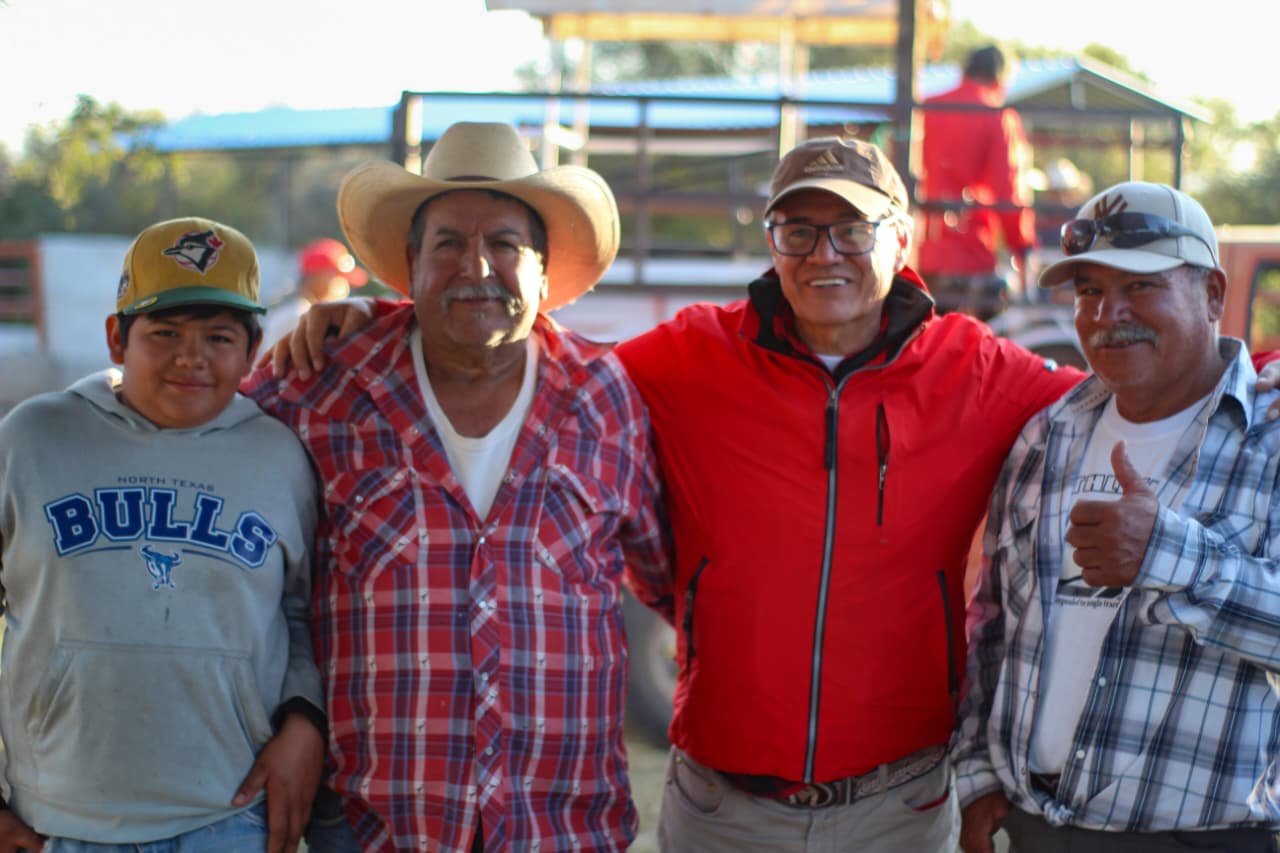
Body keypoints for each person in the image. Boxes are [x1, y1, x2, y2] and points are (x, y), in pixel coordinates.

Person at [274, 138, 1280, 852]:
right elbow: (530, 353)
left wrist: (1256, 375)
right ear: (771, 241)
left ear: (901, 239)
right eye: (797, 230)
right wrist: (374, 317)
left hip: (900, 806)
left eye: (850, 229)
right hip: (719, 806)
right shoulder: (683, 357)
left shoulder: (988, 373)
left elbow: (1142, 381)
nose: (823, 253)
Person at [241, 122, 671, 853]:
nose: (476, 265)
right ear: (409, 266)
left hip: (561, 830)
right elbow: (197, 444)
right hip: (375, 826)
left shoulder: (608, 396)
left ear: (543, 270)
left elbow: (674, 582)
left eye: (504, 243)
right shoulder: (321, 385)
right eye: (447, 244)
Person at [954, 181, 1280, 853]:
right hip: (1033, 827)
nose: (1109, 314)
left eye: (1140, 286)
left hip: (1204, 838)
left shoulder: (1270, 439)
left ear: (1212, 293)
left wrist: (1167, 555)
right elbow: (993, 623)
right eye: (1090, 291)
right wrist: (978, 774)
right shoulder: (1047, 435)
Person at [0, 216, 326, 852]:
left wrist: (304, 717)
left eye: (219, 337)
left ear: (253, 350)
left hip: (232, 817)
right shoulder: (33, 438)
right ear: (116, 338)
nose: (191, 357)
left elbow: (301, 613)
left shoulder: (280, 456)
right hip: (58, 821)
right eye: (165, 332)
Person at [918, 44, 1037, 321]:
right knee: (980, 337)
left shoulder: (925, 107)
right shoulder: (997, 115)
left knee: (925, 336)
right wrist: (1023, 248)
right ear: (1002, 78)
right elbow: (1009, 189)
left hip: (921, 253)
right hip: (971, 254)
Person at [260, 237, 368, 351]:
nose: (344, 287)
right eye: (337, 278)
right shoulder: (298, 314)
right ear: (317, 278)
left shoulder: (297, 308)